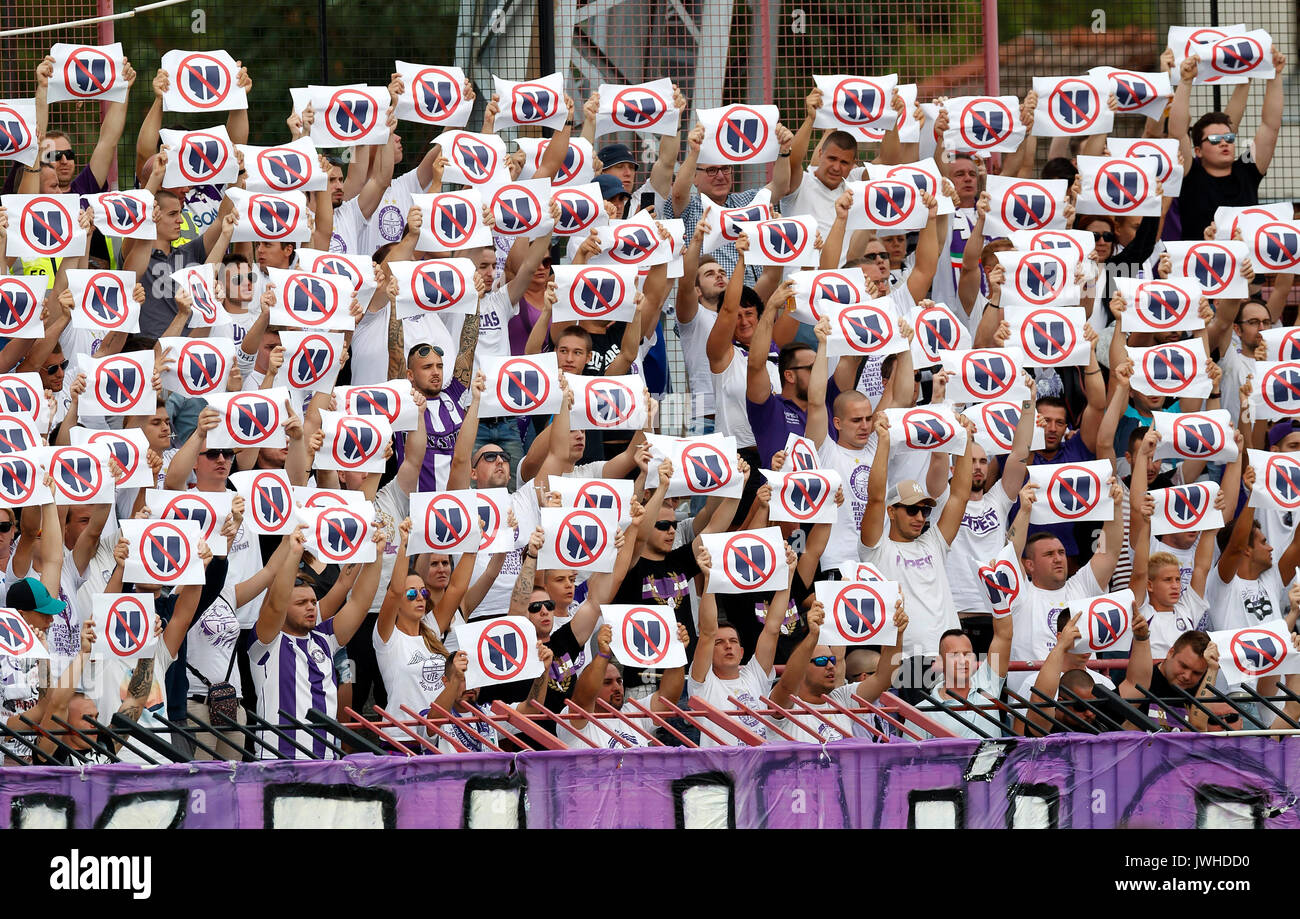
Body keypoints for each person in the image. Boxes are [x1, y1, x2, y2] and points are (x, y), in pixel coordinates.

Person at [249, 524, 385, 759]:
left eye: (313, 602)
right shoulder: (266, 642)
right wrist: (294, 552)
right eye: (301, 603)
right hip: (279, 764)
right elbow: (275, 603)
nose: (311, 607)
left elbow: (359, 603)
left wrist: (376, 554)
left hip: (326, 763)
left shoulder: (324, 638)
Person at [858, 411, 978, 676]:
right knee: (921, 719)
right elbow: (875, 498)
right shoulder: (877, 549)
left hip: (954, 658)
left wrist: (964, 441)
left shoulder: (933, 541)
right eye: (912, 510)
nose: (920, 517)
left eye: (925, 511)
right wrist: (883, 442)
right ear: (891, 511)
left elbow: (959, 495)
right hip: (909, 662)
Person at [769, 599, 908, 743]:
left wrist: (897, 634)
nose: (830, 666)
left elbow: (882, 679)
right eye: (821, 661)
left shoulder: (842, 698)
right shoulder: (788, 703)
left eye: (832, 660)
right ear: (802, 668)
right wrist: (812, 636)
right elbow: (786, 685)